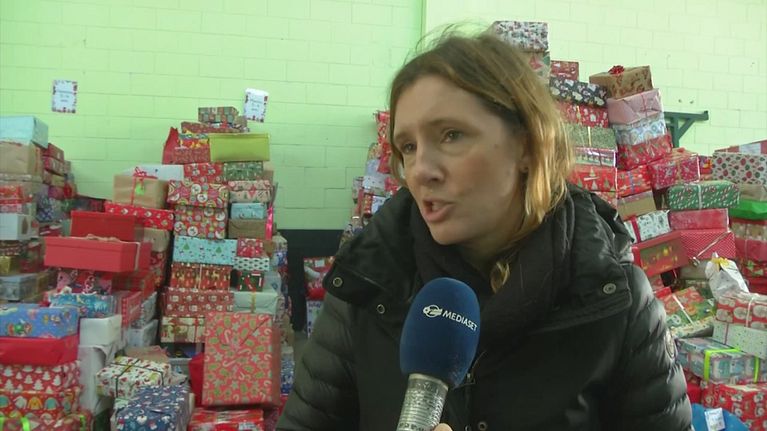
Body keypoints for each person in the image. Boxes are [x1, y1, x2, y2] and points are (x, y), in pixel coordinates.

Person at [277, 28, 692, 431]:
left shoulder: (615, 300)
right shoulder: (367, 287)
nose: (420, 170)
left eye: (451, 135)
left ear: (528, 144)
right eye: (408, 147)